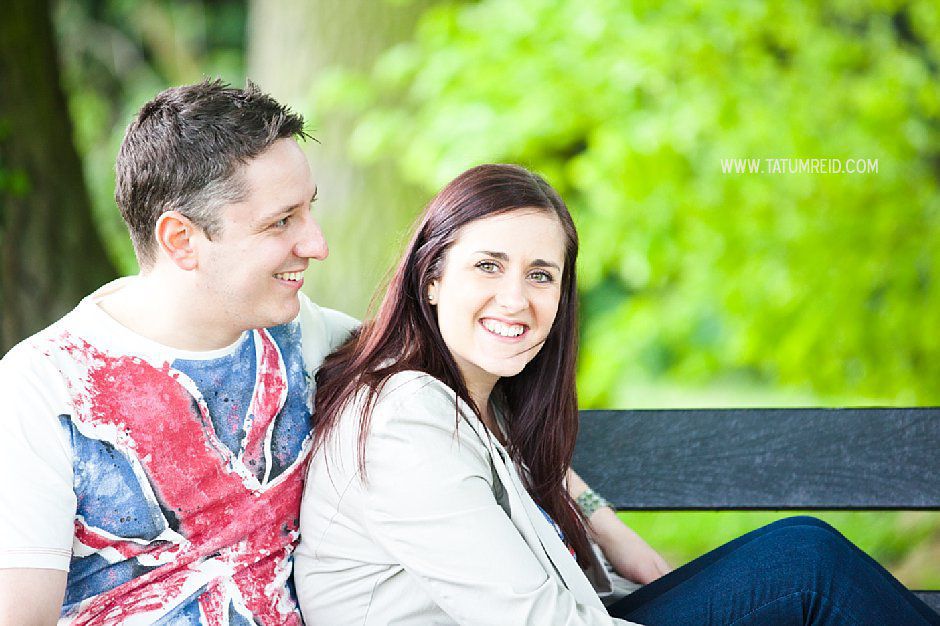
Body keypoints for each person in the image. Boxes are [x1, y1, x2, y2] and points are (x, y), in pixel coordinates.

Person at [294, 163, 940, 625]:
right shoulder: (403, 419)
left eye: (540, 275)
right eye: (487, 265)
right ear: (431, 278)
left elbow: (524, 461)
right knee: (805, 564)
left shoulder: (465, 398)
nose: (515, 299)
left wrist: (611, 527)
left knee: (800, 551)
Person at [0, 80, 356, 624]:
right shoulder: (45, 385)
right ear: (181, 240)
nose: (317, 245)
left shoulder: (306, 336)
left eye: (308, 211)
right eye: (281, 221)